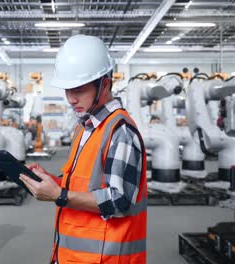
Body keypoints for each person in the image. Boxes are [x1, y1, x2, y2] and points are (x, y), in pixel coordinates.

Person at [19, 35, 148, 264]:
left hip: (106, 257)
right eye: (67, 90)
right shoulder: (85, 127)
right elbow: (84, 183)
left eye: (78, 89)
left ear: (105, 84)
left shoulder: (120, 132)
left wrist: (59, 195)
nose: (71, 99)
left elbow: (119, 200)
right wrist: (52, 181)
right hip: (73, 256)